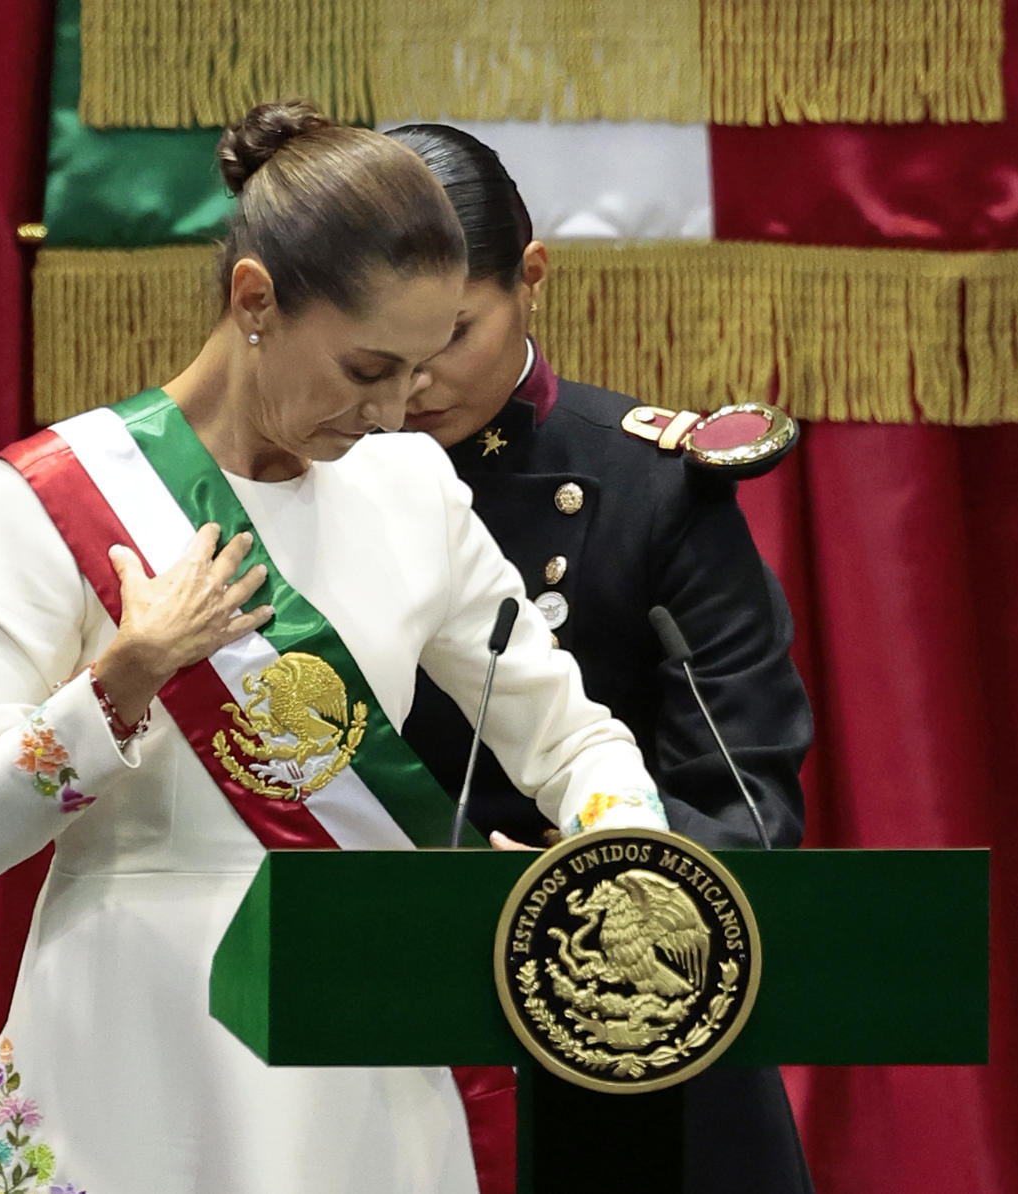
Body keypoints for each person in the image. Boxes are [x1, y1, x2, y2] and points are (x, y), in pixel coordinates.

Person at [0, 100, 670, 1194]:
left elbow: (570, 742)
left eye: (417, 373)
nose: (393, 411)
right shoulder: (55, 497)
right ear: (255, 301)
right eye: (367, 368)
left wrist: (617, 862)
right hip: (132, 1042)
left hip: (355, 1051)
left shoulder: (412, 488)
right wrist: (125, 677)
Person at [389, 123, 818, 1194]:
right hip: (381, 1008)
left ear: (530, 279)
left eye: (451, 334)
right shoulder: (310, 489)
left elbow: (742, 794)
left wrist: (584, 892)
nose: (415, 379)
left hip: (628, 1021)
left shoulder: (652, 484)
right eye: (382, 341)